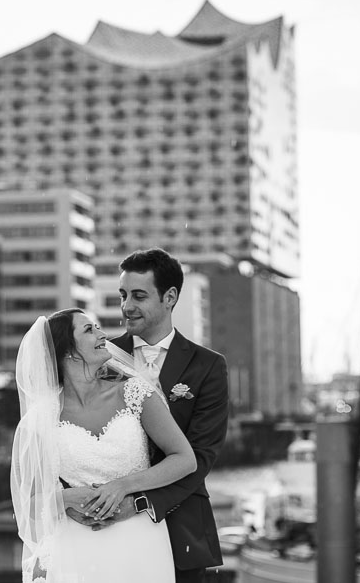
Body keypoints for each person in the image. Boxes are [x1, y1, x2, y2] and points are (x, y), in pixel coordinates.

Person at [68, 248, 230, 583]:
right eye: (123, 295)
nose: (127, 306)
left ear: (170, 297)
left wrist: (138, 504)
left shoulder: (208, 366)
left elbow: (200, 456)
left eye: (139, 296)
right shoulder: (100, 355)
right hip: (103, 530)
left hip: (182, 529)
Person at [11, 308, 197, 583]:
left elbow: (184, 459)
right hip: (75, 546)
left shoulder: (135, 393)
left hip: (141, 540)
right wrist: (68, 498)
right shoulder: (39, 420)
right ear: (68, 351)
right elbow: (27, 504)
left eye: (98, 327)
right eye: (89, 330)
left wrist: (122, 487)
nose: (102, 335)